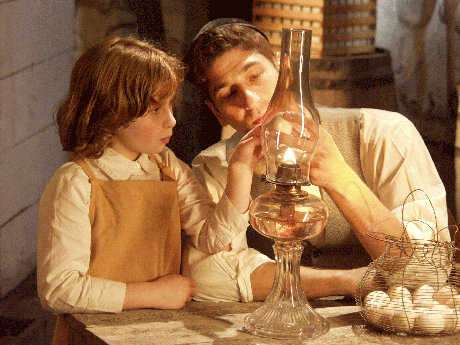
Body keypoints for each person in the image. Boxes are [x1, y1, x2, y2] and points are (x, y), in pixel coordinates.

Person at [182, 18, 450, 303]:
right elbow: (204, 277)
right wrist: (347, 281)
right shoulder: (214, 166)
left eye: (255, 76)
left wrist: (338, 176)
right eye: (227, 93)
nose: (248, 100)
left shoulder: (384, 134)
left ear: (283, 68)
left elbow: (429, 271)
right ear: (217, 112)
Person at [37, 37, 263, 342]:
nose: (171, 120)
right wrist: (151, 293)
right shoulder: (75, 182)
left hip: (158, 329)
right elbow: (58, 290)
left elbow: (214, 239)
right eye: (155, 108)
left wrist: (241, 169)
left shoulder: (166, 167)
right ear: (110, 113)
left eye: (170, 105)